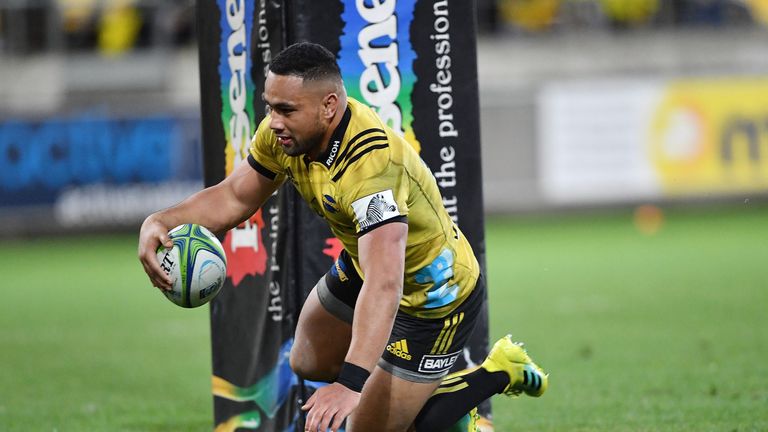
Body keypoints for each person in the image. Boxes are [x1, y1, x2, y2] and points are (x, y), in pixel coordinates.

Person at [138, 42, 548, 432]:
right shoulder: (283, 136)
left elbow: (388, 284)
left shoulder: (371, 169)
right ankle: (401, 387)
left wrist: (351, 384)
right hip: (365, 264)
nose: (273, 121)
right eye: (269, 107)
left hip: (432, 295)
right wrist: (161, 220)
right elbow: (233, 197)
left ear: (329, 106)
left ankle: (495, 373)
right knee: (308, 359)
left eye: (286, 109)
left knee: (370, 427)